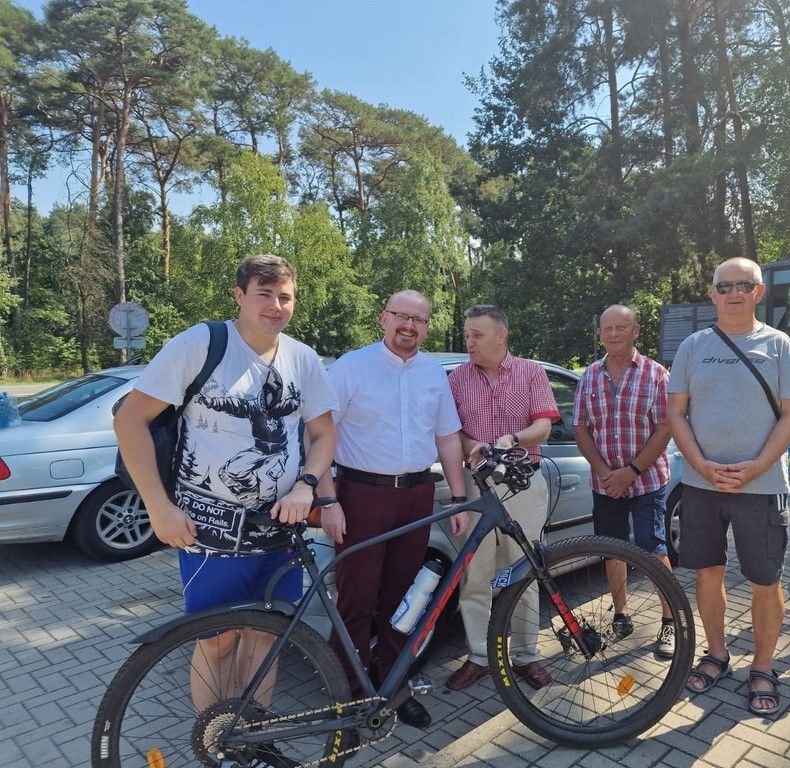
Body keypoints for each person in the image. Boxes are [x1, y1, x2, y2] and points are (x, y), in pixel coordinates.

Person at [113, 254, 338, 719]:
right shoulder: (201, 344)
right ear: (239, 295)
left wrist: (307, 486)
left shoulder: (303, 358)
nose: (275, 306)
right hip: (209, 529)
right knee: (216, 641)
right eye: (264, 295)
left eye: (285, 297)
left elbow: (323, 433)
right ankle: (214, 738)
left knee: (265, 639)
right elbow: (130, 421)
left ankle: (251, 735)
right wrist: (158, 507)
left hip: (281, 529)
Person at [666, 257, 790, 718]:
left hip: (761, 486)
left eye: (743, 285)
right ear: (712, 293)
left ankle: (763, 667)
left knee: (765, 581)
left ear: (758, 292)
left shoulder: (780, 345)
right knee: (707, 573)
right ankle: (717, 653)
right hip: (701, 485)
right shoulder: (693, 346)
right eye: (724, 286)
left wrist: (756, 467)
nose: (733, 293)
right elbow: (675, 414)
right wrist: (701, 466)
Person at [323, 289, 468, 730]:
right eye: (401, 316)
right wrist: (327, 499)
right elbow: (319, 435)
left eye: (418, 320)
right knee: (356, 599)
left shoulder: (433, 373)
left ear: (427, 327)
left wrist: (458, 497)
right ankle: (349, 697)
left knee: (405, 599)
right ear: (383, 318)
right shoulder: (350, 367)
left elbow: (447, 438)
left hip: (417, 496)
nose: (409, 326)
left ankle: (393, 686)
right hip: (360, 496)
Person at [444, 304, 560, 691]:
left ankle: (526, 656)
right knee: (475, 574)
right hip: (476, 483)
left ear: (501, 336)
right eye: (467, 335)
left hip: (523, 481)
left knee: (524, 570)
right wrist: (472, 445)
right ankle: (480, 656)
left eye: (477, 335)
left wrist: (514, 438)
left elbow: (543, 426)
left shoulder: (531, 372)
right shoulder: (457, 379)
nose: (469, 342)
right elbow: (451, 432)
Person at [573, 304, 676, 657]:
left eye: (622, 327)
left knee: (653, 548)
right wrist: (605, 472)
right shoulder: (589, 376)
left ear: (636, 331)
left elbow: (665, 428)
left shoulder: (656, 375)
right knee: (612, 549)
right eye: (608, 328)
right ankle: (621, 615)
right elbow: (580, 428)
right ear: (600, 333)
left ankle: (670, 620)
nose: (614, 333)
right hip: (605, 483)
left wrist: (630, 471)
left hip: (646, 481)